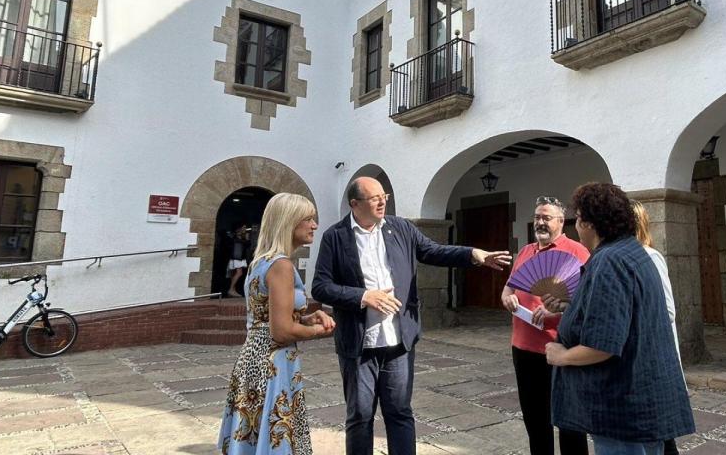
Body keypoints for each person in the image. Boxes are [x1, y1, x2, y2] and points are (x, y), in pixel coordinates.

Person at [311, 176, 512, 455]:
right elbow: (321, 286)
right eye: (374, 198)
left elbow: (434, 251)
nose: (382, 201)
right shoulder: (335, 236)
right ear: (355, 204)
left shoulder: (401, 228)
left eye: (385, 196)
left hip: (398, 342)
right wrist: (363, 296)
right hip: (359, 345)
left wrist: (473, 254)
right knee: (359, 416)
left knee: (400, 412)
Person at [546, 183, 694, 455]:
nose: (575, 226)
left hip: (622, 407)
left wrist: (561, 356)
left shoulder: (609, 261)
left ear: (590, 223)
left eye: (577, 219)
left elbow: (603, 344)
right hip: (640, 401)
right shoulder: (632, 252)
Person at [219, 193, 336, 455]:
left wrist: (305, 318)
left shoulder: (260, 262)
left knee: (255, 437)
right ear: (288, 222)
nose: (314, 225)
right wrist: (318, 330)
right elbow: (281, 331)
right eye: (308, 219)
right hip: (274, 362)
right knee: (275, 440)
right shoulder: (281, 265)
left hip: (252, 358)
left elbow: (266, 318)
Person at [501, 196, 589, 455]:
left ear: (561, 222)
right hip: (523, 347)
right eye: (537, 217)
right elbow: (509, 287)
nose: (540, 222)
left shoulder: (577, 252)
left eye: (546, 217)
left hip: (561, 348)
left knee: (569, 420)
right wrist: (507, 298)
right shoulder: (526, 251)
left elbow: (587, 301)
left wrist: (554, 312)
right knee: (534, 418)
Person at [632, 200, 681, 455]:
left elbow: (668, 310)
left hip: (653, 358)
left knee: (658, 435)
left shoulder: (651, 257)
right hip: (638, 361)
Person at [227, 223, 250, 298]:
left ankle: (233, 290)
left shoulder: (239, 237)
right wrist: (246, 239)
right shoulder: (236, 238)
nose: (245, 229)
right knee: (239, 273)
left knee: (234, 274)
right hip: (237, 258)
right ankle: (231, 289)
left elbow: (247, 245)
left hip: (237, 258)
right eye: (243, 228)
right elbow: (245, 243)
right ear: (239, 229)